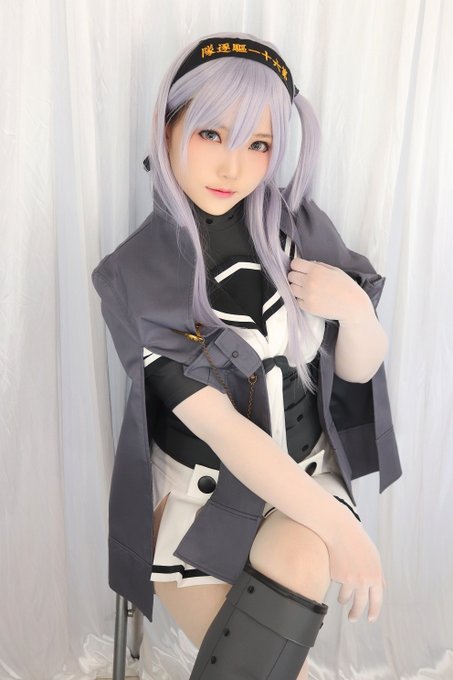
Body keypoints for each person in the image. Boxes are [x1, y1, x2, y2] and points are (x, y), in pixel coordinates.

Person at [92, 32, 401, 680]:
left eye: (257, 144)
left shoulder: (298, 227)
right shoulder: (136, 274)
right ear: (168, 127)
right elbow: (225, 433)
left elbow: (355, 371)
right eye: (211, 134)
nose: (232, 168)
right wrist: (343, 531)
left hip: (303, 481)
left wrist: (354, 309)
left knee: (299, 563)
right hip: (200, 499)